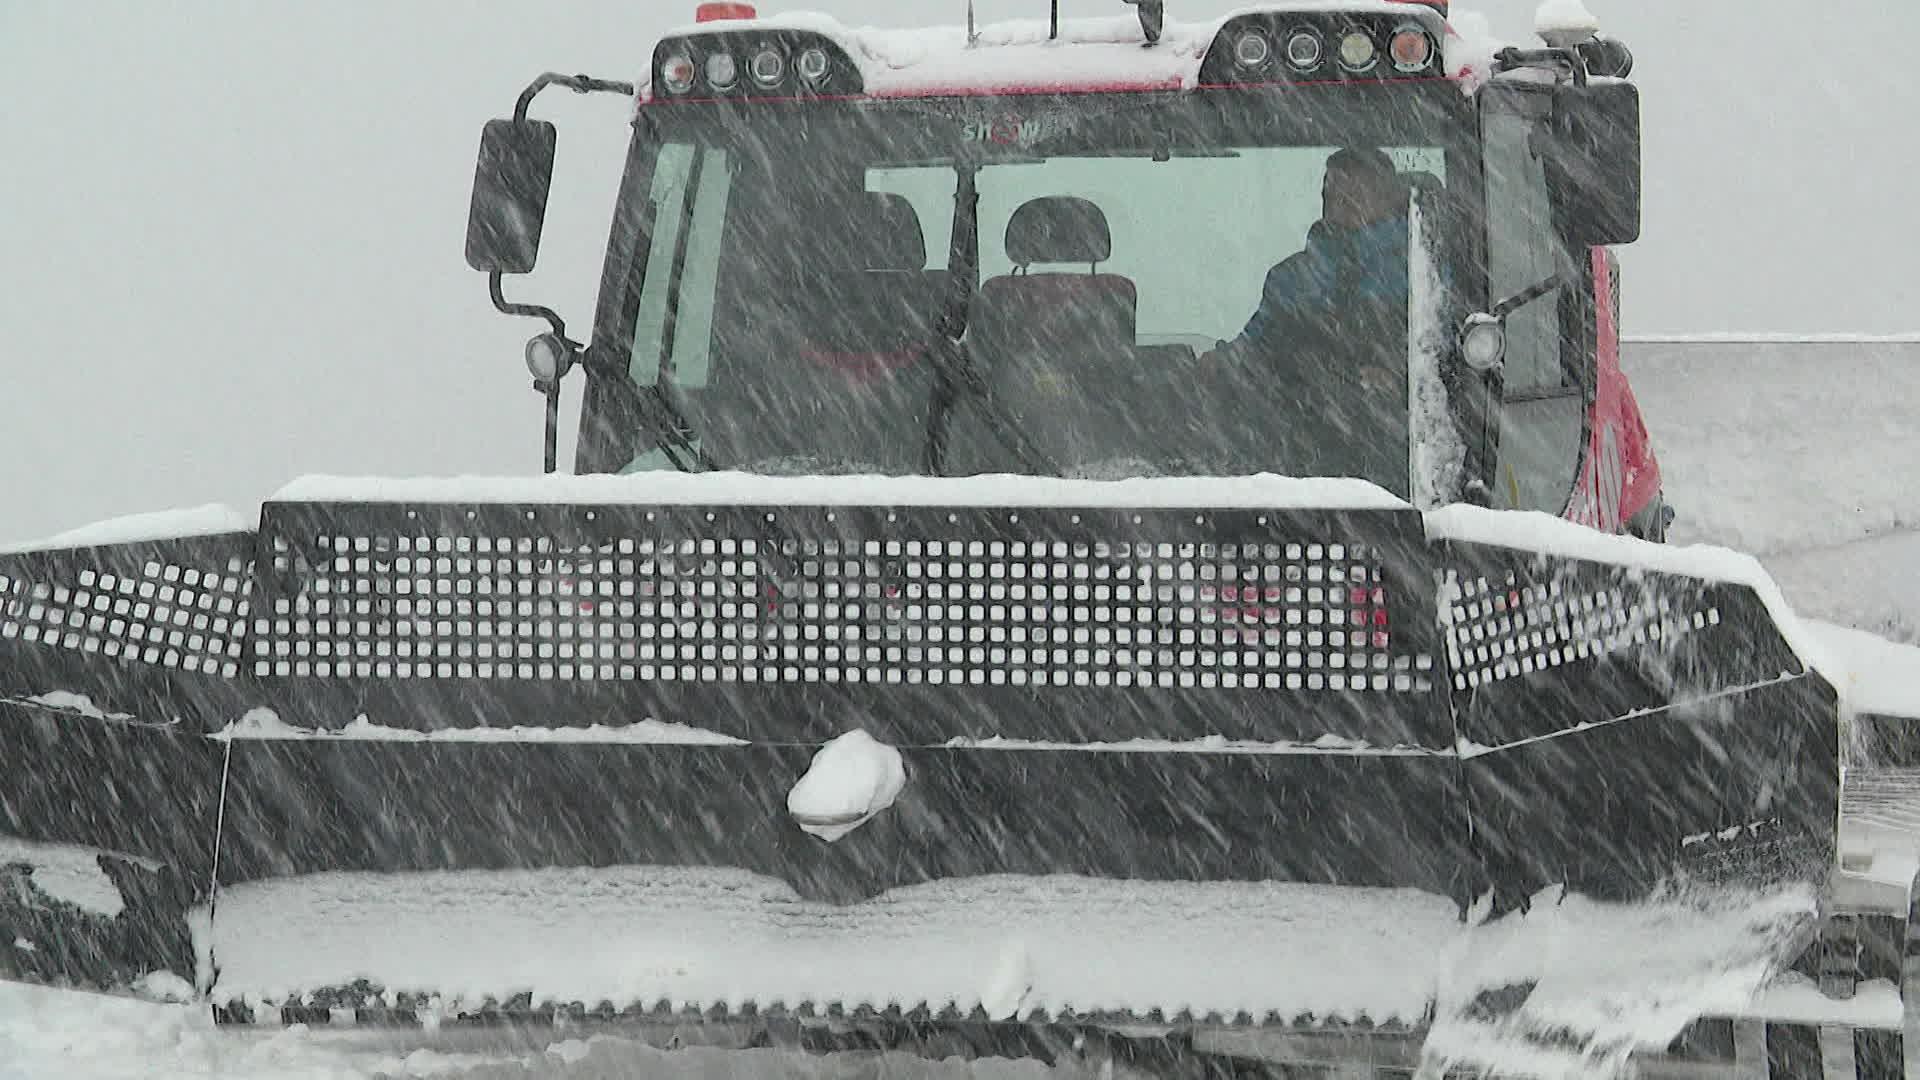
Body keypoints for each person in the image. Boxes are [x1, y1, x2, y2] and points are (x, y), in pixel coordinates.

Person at [1207, 147, 1410, 387]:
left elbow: (1447, 358)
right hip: (1289, 414)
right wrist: (1222, 360)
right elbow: (1253, 344)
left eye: (1353, 197)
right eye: (1331, 197)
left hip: (1394, 420)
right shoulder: (1289, 276)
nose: (1337, 207)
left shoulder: (1422, 273)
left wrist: (1401, 381)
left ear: (1388, 201)